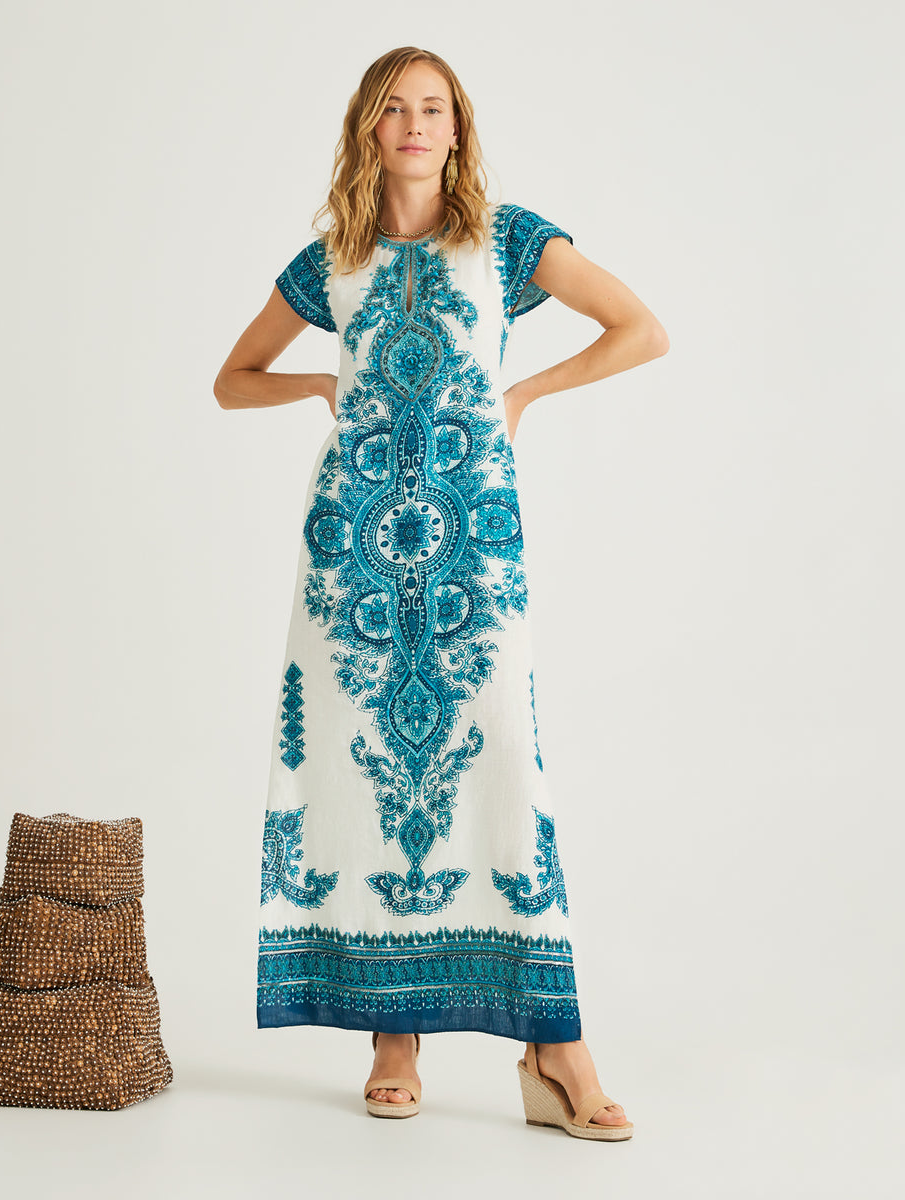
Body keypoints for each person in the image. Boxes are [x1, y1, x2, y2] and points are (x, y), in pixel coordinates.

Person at [215, 46, 668, 1141]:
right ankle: (394, 1035)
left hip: (474, 550)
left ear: (456, 128)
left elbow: (640, 329)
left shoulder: (508, 241)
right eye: (394, 108)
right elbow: (231, 380)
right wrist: (318, 382)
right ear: (368, 129)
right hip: (352, 559)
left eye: (433, 107)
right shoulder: (331, 259)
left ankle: (555, 1047)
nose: (415, 124)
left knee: (502, 759)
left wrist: (524, 395)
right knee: (362, 772)